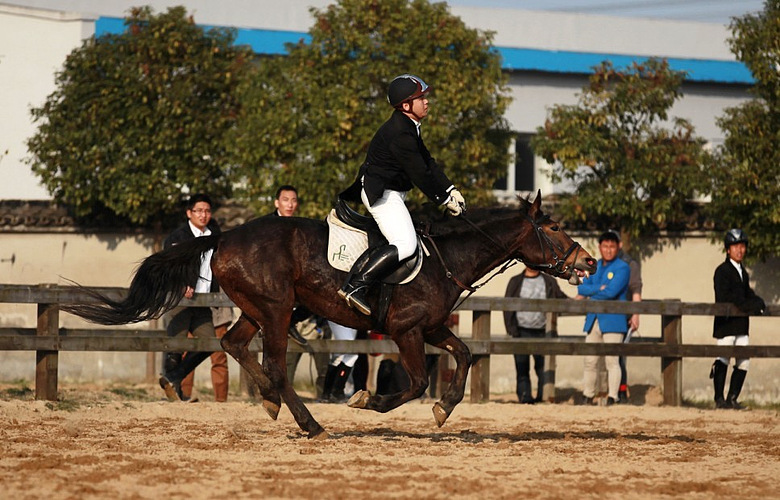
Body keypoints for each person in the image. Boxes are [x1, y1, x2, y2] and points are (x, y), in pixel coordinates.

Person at [338, 73, 466, 316]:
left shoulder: (409, 126)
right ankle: (355, 286)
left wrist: (451, 189)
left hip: (392, 192)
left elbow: (428, 161)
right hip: (382, 194)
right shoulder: (400, 132)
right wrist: (443, 200)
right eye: (421, 98)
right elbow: (419, 173)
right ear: (406, 105)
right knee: (406, 245)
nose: (427, 101)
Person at [159, 193, 223, 401]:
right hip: (181, 300)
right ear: (189, 213)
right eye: (198, 211)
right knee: (176, 347)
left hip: (205, 300)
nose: (203, 215)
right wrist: (180, 284)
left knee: (210, 343)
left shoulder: (215, 234)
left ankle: (173, 377)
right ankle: (174, 392)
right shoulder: (178, 237)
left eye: (206, 211)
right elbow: (169, 266)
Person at [711, 229, 765, 410]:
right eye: (735, 246)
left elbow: (746, 293)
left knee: (744, 360)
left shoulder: (743, 272)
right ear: (728, 249)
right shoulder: (722, 271)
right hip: (726, 322)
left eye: (742, 246)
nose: (740, 250)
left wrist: (757, 301)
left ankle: (732, 398)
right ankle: (719, 398)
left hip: (741, 324)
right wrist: (750, 304)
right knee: (723, 357)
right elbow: (729, 296)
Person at [575, 230, 630, 406]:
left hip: (613, 320)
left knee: (612, 360)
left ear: (618, 247)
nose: (608, 250)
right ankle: (588, 394)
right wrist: (600, 288)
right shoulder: (595, 266)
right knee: (590, 360)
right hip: (593, 318)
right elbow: (581, 289)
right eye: (605, 246)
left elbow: (612, 292)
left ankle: (613, 396)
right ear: (600, 247)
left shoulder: (623, 267)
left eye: (612, 246)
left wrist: (594, 290)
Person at [503, 266, 568, 404]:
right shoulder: (515, 281)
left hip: (542, 331)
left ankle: (542, 396)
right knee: (522, 367)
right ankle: (525, 397)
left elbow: (561, 298)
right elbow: (506, 305)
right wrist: (511, 328)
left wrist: (578, 302)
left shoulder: (549, 281)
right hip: (520, 331)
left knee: (542, 367)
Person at [612, 230, 643, 404]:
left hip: (624, 316)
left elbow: (636, 290)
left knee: (619, 355)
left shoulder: (630, 264)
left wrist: (636, 314)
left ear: (620, 245)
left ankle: (622, 391)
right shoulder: (603, 264)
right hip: (607, 316)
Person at [179, 305, 233, 402]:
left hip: (218, 314)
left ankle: (221, 401)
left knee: (218, 358)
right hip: (191, 313)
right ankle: (184, 396)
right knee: (186, 356)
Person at [318, 321, 360, 403]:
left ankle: (327, 393)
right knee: (351, 354)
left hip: (353, 319)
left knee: (338, 355)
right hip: (340, 317)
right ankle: (337, 391)